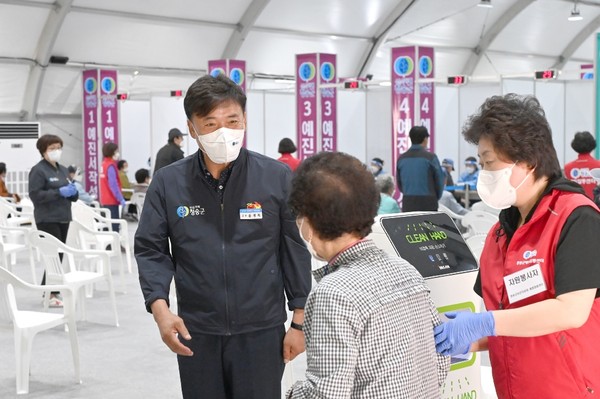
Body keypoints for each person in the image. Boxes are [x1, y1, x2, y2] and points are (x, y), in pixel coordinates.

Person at [135, 74, 311, 399]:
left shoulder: (275, 177)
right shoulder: (168, 183)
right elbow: (151, 249)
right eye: (211, 123)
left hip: (262, 329)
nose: (223, 132)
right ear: (192, 129)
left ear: (245, 120)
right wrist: (160, 309)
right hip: (197, 328)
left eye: (232, 121)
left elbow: (293, 249)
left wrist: (299, 321)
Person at [433, 94, 600, 398]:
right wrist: (473, 340)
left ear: (529, 161)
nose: (484, 174)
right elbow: (508, 322)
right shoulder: (500, 234)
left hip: (569, 388)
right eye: (482, 164)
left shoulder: (576, 218)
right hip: (514, 387)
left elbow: (571, 312)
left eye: (491, 163)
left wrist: (483, 322)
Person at [286, 151, 449, 398]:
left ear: (309, 221)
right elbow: (440, 357)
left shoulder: (333, 293)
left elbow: (326, 394)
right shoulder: (406, 270)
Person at [29, 134, 78, 307]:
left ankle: (50, 290)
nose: (56, 151)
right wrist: (58, 193)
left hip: (63, 218)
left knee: (58, 256)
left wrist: (74, 192)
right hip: (47, 219)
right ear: (43, 151)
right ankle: (50, 293)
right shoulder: (38, 170)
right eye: (52, 148)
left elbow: (72, 195)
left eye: (58, 147)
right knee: (53, 256)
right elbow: (35, 195)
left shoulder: (63, 169)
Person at [396, 126, 445, 212]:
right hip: (428, 203)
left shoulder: (401, 159)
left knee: (409, 225)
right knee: (428, 226)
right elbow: (439, 181)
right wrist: (435, 197)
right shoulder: (431, 158)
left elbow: (400, 184)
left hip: (408, 203)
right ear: (425, 139)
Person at [563, 131, 600, 200]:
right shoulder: (598, 165)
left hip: (577, 206)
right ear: (592, 145)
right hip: (596, 207)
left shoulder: (567, 168)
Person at [99, 142, 126, 232]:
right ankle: (114, 244)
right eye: (116, 151)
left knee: (108, 224)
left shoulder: (104, 164)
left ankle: (108, 244)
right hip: (112, 200)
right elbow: (113, 184)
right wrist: (120, 198)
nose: (118, 153)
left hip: (105, 199)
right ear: (111, 152)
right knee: (114, 224)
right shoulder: (110, 165)